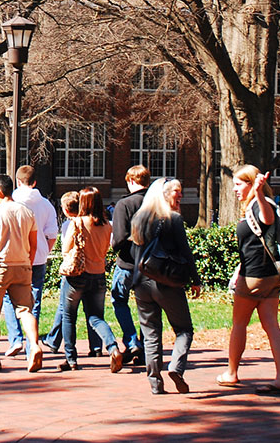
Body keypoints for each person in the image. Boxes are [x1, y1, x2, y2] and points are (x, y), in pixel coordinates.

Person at [217, 165, 280, 394]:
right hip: (271, 276)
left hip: (254, 277)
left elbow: (267, 220)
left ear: (251, 183)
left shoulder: (262, 204)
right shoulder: (256, 204)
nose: (235, 190)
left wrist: (259, 192)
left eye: (239, 185)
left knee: (239, 324)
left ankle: (231, 373)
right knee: (271, 325)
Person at [129, 178, 201, 394]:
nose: (180, 196)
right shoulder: (173, 220)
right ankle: (176, 367)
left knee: (150, 333)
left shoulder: (139, 219)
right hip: (167, 282)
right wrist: (195, 280)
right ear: (164, 194)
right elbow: (185, 252)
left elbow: (133, 252)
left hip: (141, 282)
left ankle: (155, 383)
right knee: (184, 329)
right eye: (176, 192)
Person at [0, 174, 43, 373]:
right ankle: (34, 345)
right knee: (25, 310)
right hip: (22, 266)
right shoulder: (27, 212)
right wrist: (28, 263)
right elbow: (33, 244)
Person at [59, 186, 126, 372]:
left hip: (77, 276)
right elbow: (106, 249)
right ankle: (113, 347)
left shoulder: (77, 223)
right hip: (98, 275)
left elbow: (66, 249)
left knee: (68, 316)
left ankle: (71, 359)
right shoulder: (107, 225)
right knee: (96, 317)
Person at [2, 165, 59, 359]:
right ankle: (31, 344)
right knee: (34, 300)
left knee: (9, 297)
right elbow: (52, 234)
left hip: (14, 257)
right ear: (35, 182)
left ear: (18, 181)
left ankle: (15, 338)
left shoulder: (12, 201)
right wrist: (44, 251)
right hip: (38, 258)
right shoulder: (45, 204)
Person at [41, 192, 103, 356]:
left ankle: (59, 344)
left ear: (66, 210)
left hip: (74, 270)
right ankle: (96, 346)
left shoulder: (72, 224)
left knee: (66, 310)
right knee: (94, 312)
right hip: (96, 271)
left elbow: (65, 249)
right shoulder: (95, 222)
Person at [110, 165, 150, 365]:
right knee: (145, 305)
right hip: (150, 264)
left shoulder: (124, 204)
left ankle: (132, 340)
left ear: (131, 181)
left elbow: (118, 239)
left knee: (119, 300)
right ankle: (145, 348)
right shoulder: (154, 204)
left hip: (127, 263)